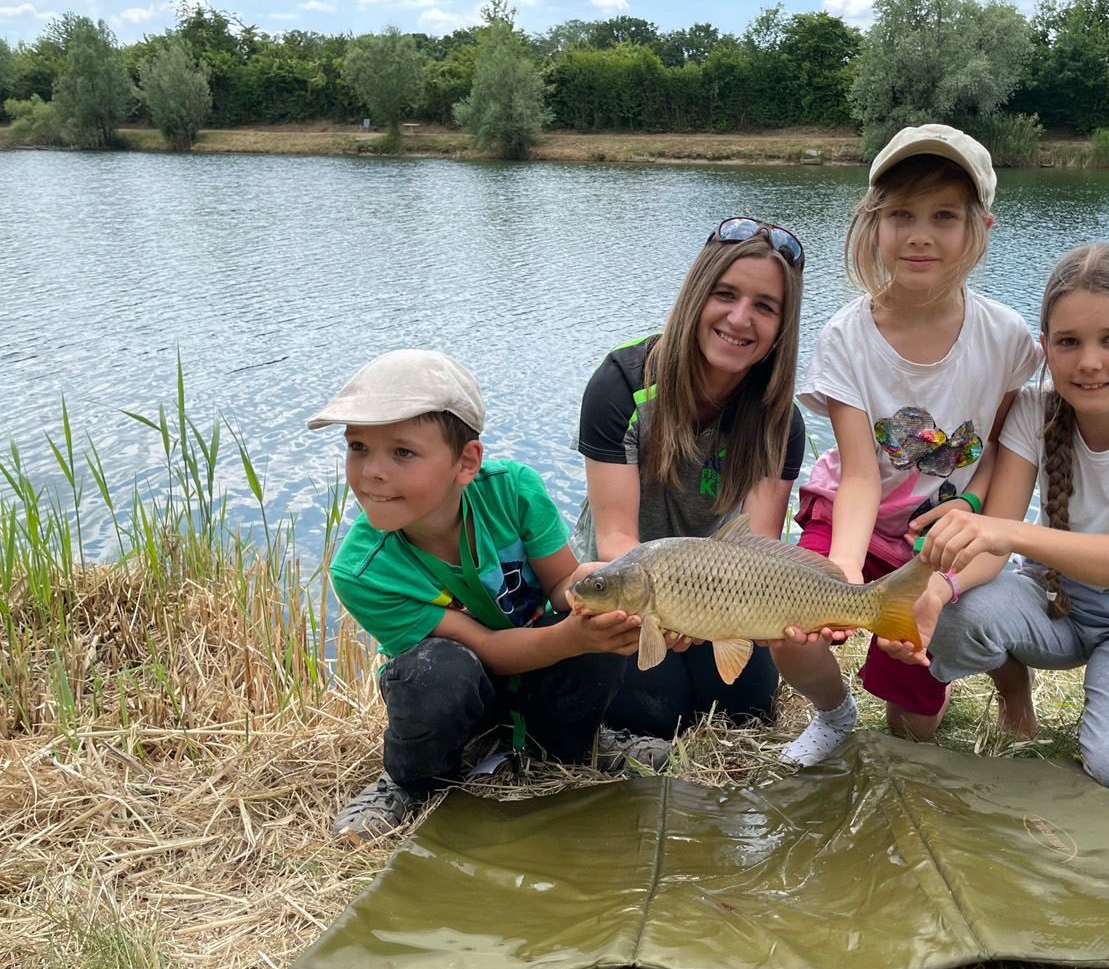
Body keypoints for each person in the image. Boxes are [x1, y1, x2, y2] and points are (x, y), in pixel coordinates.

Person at [310, 349, 671, 842]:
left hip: (540, 668)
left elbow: (563, 585)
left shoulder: (514, 492)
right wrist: (571, 637)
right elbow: (486, 648)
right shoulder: (362, 571)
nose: (372, 471)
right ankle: (410, 781)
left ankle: (576, 743)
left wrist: (607, 585)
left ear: (466, 462)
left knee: (598, 620)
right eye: (357, 447)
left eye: (402, 452)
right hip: (463, 687)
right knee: (436, 670)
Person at [913, 242, 1109, 815]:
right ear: (1045, 347)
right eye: (1069, 342)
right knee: (955, 613)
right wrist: (940, 588)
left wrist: (1011, 535)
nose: (1089, 363)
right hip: (1050, 597)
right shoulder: (1034, 411)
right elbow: (992, 547)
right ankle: (1015, 695)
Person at [775, 124, 1042, 765]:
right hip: (855, 518)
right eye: (901, 215)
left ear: (980, 228)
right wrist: (842, 572)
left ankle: (1003, 682)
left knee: (912, 724)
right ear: (874, 225)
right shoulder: (846, 337)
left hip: (941, 536)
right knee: (792, 630)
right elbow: (861, 476)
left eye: (944, 216)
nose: (921, 234)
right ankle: (835, 715)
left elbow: (998, 449)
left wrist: (969, 504)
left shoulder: (1007, 337)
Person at [572, 217, 809, 739]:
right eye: (725, 294)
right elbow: (617, 538)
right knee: (656, 715)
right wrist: (667, 609)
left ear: (782, 326)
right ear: (697, 294)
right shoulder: (621, 385)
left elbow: (758, 544)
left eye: (765, 306)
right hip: (631, 582)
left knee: (744, 711)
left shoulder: (780, 423)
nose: (740, 319)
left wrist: (770, 612)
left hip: (726, 588)